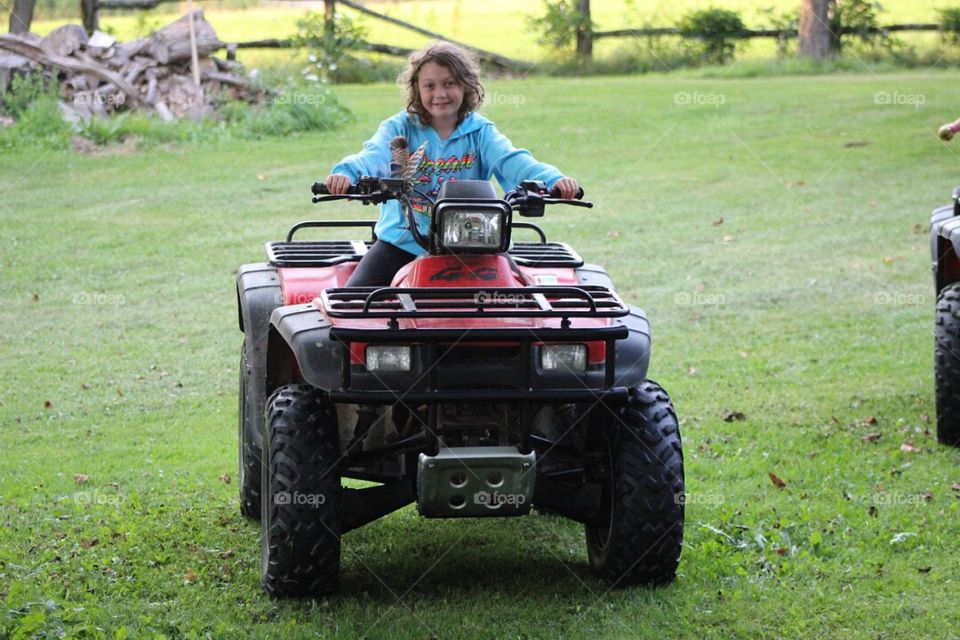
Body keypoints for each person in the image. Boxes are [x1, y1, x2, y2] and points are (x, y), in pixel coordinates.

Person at [324, 41, 580, 287]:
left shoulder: (480, 132)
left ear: (466, 86)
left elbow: (514, 161)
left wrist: (552, 180)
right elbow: (374, 155)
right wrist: (348, 173)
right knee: (352, 306)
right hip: (403, 241)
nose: (440, 94)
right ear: (416, 89)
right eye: (430, 86)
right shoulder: (400, 128)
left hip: (476, 242)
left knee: (519, 304)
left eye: (449, 84)